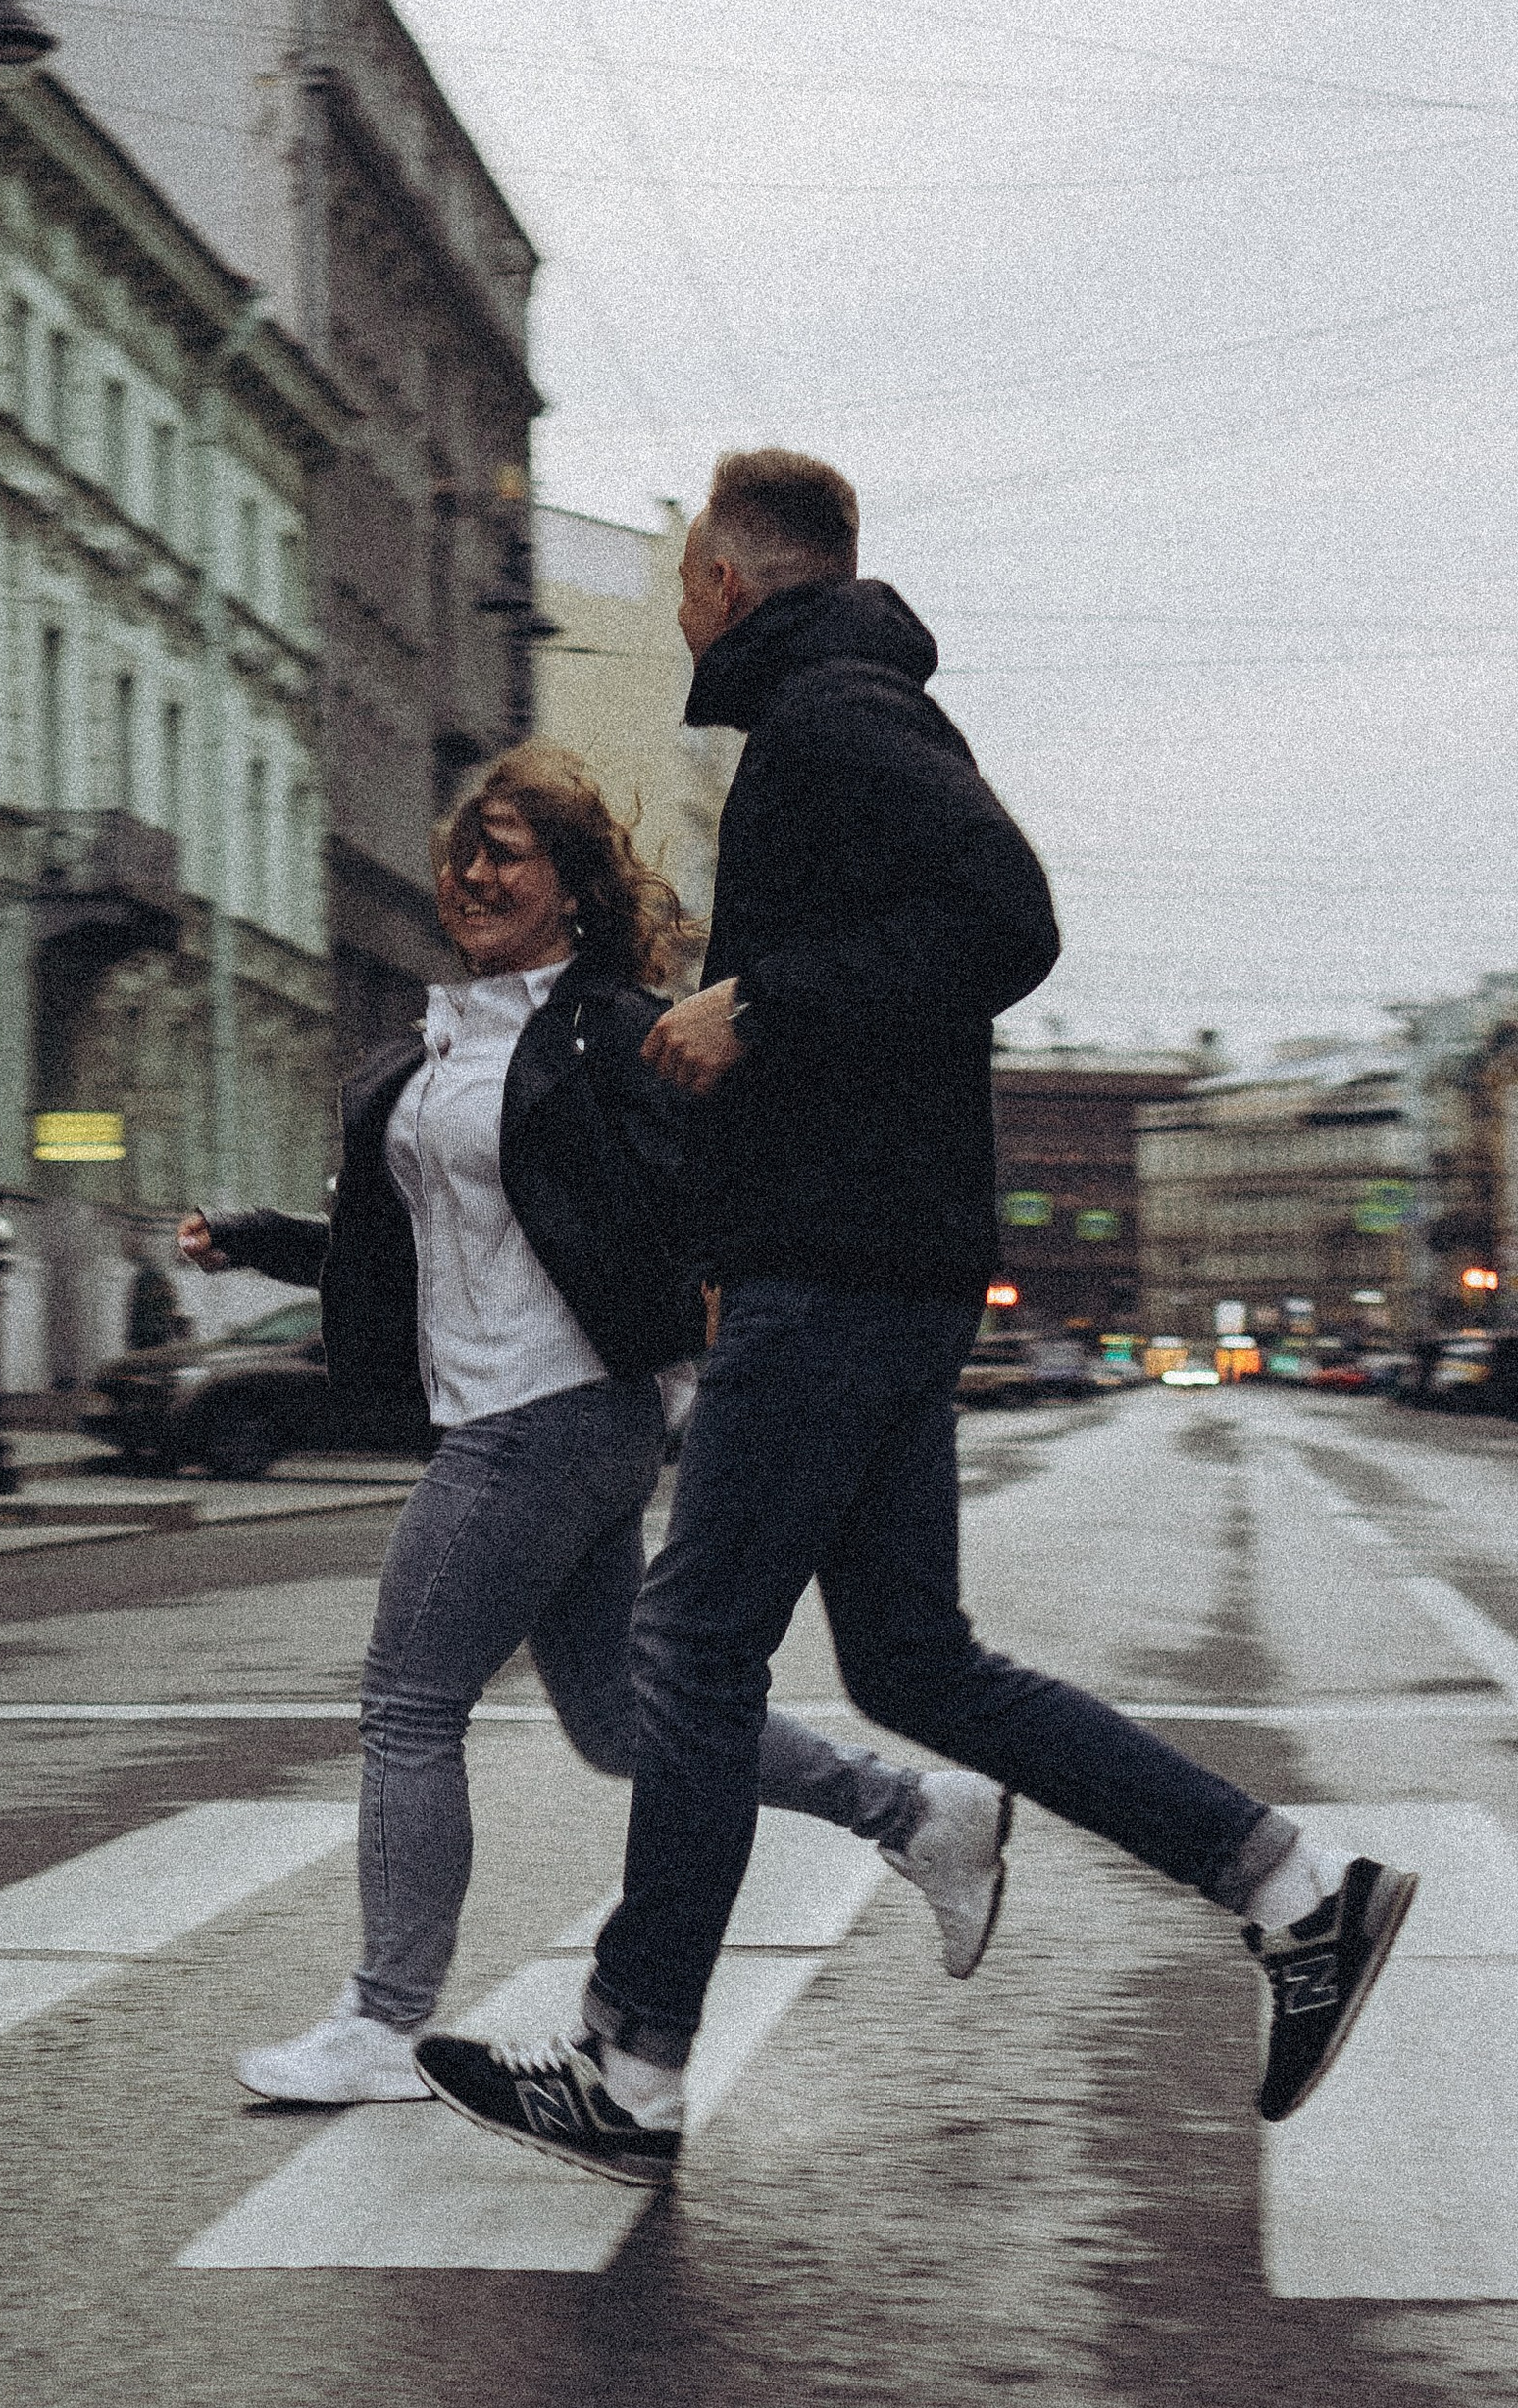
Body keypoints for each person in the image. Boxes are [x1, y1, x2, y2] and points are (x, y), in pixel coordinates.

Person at [416, 452, 1418, 2186]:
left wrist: (763, 1004)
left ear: (728, 580)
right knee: (911, 1662)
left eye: (686, 585)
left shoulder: (833, 719)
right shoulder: (840, 709)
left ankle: (634, 2059)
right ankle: (1291, 1888)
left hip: (842, 1265)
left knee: (690, 1650)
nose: (675, 610)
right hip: (874, 1257)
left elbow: (1008, 919)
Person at [182, 739, 1012, 2108]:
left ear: (573, 887)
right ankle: (919, 1813)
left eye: (509, 850)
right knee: (627, 1722)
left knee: (406, 1703)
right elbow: (410, 1236)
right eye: (466, 853)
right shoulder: (435, 1045)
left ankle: (385, 2023)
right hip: (521, 1413)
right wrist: (263, 1241)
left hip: (554, 1407)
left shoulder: (612, 1033)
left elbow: (717, 1182)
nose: (474, 874)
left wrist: (755, 1323)